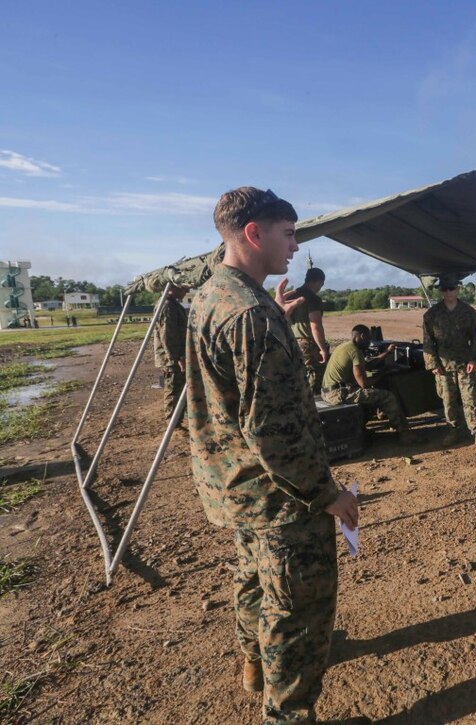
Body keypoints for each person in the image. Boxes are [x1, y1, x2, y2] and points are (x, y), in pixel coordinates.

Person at [186, 187, 358, 723]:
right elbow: (274, 434)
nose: (294, 244)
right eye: (288, 233)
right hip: (280, 496)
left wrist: (274, 314)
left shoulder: (215, 294)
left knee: (255, 579)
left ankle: (254, 665)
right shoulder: (251, 318)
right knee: (299, 611)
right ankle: (289, 714)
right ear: (254, 233)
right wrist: (327, 494)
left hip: (235, 484)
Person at [422, 275, 476, 450]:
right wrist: (433, 365)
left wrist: (474, 359)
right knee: (448, 401)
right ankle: (454, 430)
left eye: (451, 288)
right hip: (444, 366)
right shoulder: (431, 315)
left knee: (471, 398)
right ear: (440, 291)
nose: (448, 292)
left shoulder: (469, 312)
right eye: (445, 289)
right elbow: (428, 342)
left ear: (458, 289)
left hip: (464, 364)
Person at [322, 325, 417, 444]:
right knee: (387, 397)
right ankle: (405, 434)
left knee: (372, 393)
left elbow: (368, 365)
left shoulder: (346, 347)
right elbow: (364, 383)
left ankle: (364, 429)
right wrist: (384, 372)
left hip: (330, 392)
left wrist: (387, 352)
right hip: (338, 394)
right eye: (369, 339)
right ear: (362, 336)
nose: (370, 342)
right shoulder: (355, 351)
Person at [152, 282, 189, 424]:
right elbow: (167, 334)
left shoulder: (172, 304)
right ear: (174, 287)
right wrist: (177, 357)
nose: (187, 290)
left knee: (177, 387)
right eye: (184, 287)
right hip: (171, 358)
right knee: (173, 388)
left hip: (173, 356)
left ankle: (177, 419)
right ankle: (172, 423)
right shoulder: (167, 305)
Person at [288, 266, 329, 394]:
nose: (320, 288)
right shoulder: (313, 298)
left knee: (297, 379)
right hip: (308, 345)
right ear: (317, 281)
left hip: (292, 342)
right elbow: (315, 325)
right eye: (321, 285)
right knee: (313, 381)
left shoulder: (293, 295)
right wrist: (322, 349)